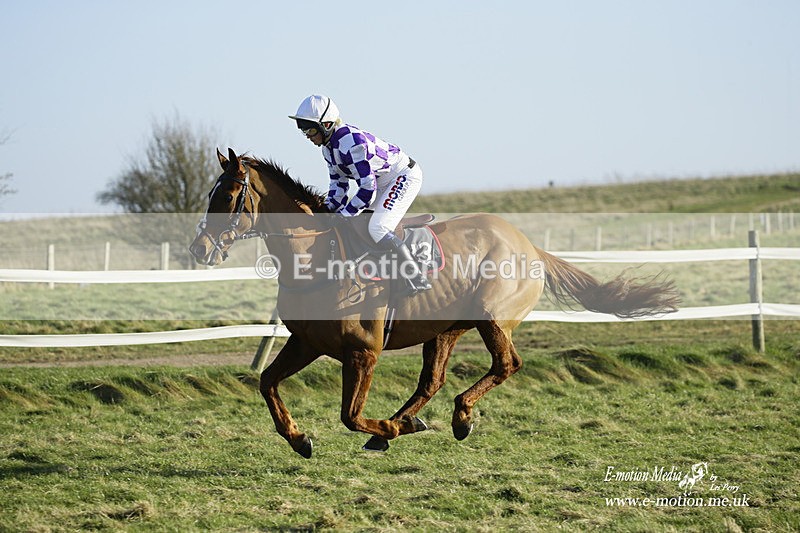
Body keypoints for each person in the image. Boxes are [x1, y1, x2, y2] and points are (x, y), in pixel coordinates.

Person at [289, 94, 432, 295]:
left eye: (311, 130)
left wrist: (344, 214)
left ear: (327, 124)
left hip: (403, 176)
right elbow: (338, 186)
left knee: (378, 227)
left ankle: (416, 276)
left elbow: (367, 189)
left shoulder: (351, 143)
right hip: (383, 181)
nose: (308, 136)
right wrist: (325, 210)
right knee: (361, 226)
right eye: (304, 131)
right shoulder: (327, 149)